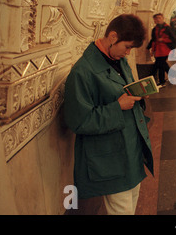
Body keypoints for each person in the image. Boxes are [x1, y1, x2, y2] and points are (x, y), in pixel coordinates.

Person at [63, 14, 154, 214]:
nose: (128, 53)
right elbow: (79, 121)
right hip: (111, 157)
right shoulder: (83, 71)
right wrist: (117, 107)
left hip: (130, 149)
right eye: (127, 47)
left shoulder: (117, 60)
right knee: (121, 210)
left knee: (131, 203)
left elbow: (124, 89)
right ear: (113, 37)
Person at [147, 13, 176, 86]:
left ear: (163, 18)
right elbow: (153, 39)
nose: (158, 20)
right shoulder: (154, 29)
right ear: (154, 20)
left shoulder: (167, 28)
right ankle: (172, 76)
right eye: (156, 18)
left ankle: (159, 80)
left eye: (159, 18)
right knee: (162, 65)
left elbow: (173, 38)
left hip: (165, 50)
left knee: (159, 65)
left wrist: (163, 39)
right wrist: (150, 48)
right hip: (158, 50)